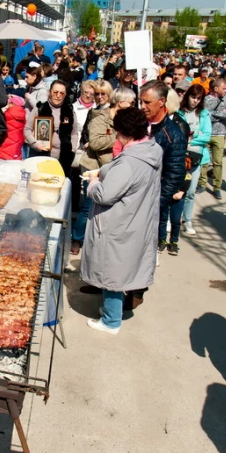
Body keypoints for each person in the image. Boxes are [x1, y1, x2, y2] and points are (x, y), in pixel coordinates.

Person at [80, 107, 162, 334]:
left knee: (112, 272)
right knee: (120, 269)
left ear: (124, 133)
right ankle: (112, 311)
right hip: (136, 219)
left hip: (120, 223)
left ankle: (111, 321)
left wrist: (93, 182)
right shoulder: (152, 150)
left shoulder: (129, 162)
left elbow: (105, 195)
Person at [142, 81, 188, 257]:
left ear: (161, 101)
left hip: (151, 202)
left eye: (147, 102)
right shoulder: (140, 124)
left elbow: (174, 175)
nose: (143, 106)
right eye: (142, 102)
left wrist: (156, 203)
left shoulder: (173, 135)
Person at [71, 80, 115, 256]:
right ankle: (77, 238)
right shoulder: (93, 112)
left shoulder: (114, 114)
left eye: (103, 93)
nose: (99, 96)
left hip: (108, 165)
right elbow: (91, 140)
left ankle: (92, 239)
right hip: (90, 165)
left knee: (102, 206)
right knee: (89, 204)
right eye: (97, 93)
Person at [177, 83, 212, 237]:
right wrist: (189, 137)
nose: (195, 101)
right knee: (178, 189)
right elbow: (177, 134)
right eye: (193, 97)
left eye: (199, 98)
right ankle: (175, 217)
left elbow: (207, 136)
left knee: (191, 191)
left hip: (197, 157)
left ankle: (187, 219)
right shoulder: (179, 112)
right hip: (180, 156)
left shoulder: (204, 114)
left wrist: (193, 138)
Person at [24, 80, 77, 177]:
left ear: (65, 95)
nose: (58, 95)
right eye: (55, 92)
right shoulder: (39, 109)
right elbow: (27, 129)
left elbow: (74, 133)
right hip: (42, 157)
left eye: (61, 93)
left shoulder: (70, 111)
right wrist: (35, 144)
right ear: (49, 92)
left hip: (63, 160)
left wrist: (72, 150)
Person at [205, 78, 226, 200]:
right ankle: (201, 183)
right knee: (204, 162)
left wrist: (214, 114)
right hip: (207, 133)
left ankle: (217, 187)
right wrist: (219, 115)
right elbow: (205, 115)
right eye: (224, 88)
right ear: (216, 89)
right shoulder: (207, 99)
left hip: (220, 134)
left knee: (218, 162)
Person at [0, 94, 26, 160]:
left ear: (12, 103)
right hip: (17, 146)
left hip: (6, 145)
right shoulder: (23, 114)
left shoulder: (7, 114)